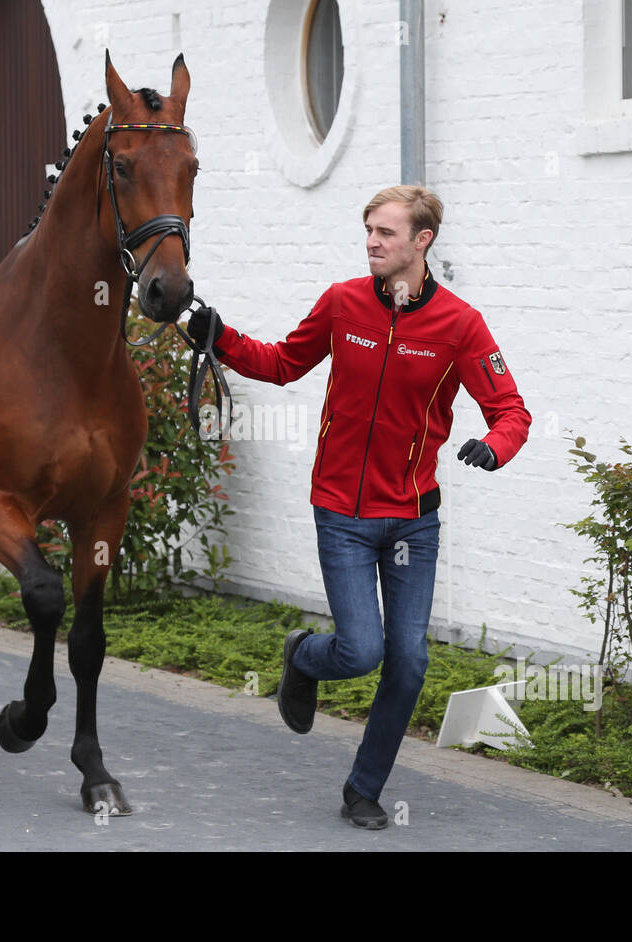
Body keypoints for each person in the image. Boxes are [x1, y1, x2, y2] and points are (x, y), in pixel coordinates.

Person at [186, 185, 531, 829]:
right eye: (368, 230)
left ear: (422, 241)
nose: (372, 241)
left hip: (412, 520)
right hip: (341, 511)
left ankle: (363, 787)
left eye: (386, 233)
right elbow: (286, 362)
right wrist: (219, 337)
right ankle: (303, 656)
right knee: (360, 651)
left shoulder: (460, 325)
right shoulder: (343, 303)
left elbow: (511, 409)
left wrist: (494, 445)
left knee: (410, 661)